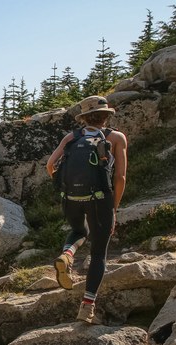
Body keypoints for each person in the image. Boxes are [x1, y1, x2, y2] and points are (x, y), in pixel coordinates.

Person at [46, 95, 128, 324]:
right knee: (99, 253)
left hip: (71, 198)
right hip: (100, 198)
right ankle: (87, 307)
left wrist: (66, 187)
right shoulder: (117, 138)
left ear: (83, 117)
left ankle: (67, 255)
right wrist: (113, 206)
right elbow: (120, 177)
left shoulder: (71, 138)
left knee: (79, 232)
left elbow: (50, 165)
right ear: (107, 115)